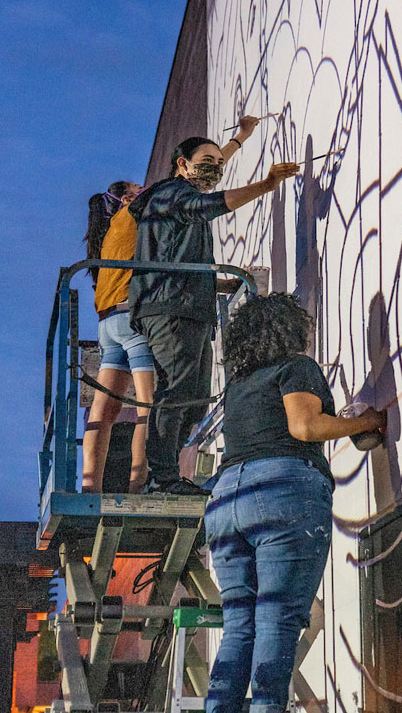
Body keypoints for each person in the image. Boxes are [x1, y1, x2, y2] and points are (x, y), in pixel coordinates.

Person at [185, 293, 386, 713]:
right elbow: (304, 427)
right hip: (282, 492)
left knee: (239, 624)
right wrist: (367, 423)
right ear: (289, 332)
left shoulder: (239, 385)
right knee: (277, 618)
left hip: (226, 501)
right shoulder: (297, 367)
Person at [130, 118, 296, 495]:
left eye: (218, 164)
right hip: (172, 307)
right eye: (205, 161)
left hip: (188, 306)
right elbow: (214, 204)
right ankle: (163, 480)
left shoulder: (177, 195)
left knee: (195, 400)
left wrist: (241, 137)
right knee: (177, 392)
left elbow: (214, 164)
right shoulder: (172, 194)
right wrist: (267, 185)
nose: (215, 168)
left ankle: (166, 475)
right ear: (181, 165)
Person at [82, 180, 152, 493]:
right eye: (140, 188)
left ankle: (90, 486)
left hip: (107, 325)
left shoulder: (106, 236)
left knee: (103, 413)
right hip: (133, 320)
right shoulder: (129, 216)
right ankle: (139, 484)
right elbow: (170, 187)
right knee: (148, 408)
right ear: (127, 199)